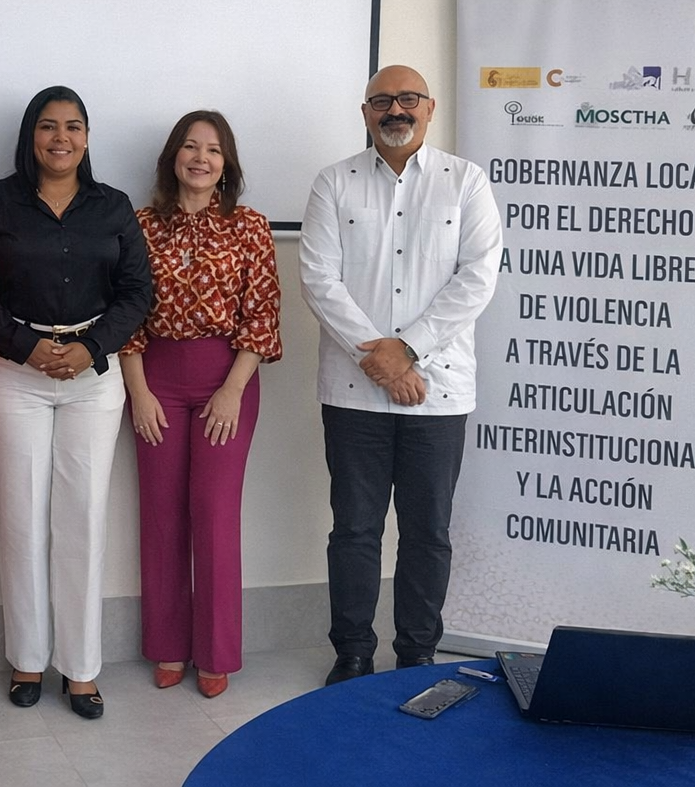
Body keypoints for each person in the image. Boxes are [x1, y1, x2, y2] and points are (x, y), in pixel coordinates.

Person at [298, 65, 501, 686]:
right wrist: (383, 362)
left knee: (427, 533)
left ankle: (416, 655)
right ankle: (353, 653)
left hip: (437, 393)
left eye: (408, 98)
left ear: (429, 108)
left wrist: (408, 351)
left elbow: (477, 278)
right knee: (354, 531)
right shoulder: (334, 183)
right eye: (382, 100)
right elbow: (318, 280)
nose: (396, 109)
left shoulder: (466, 181)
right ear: (365, 112)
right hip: (353, 393)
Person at [0, 86, 152, 719]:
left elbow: (137, 293)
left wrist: (91, 348)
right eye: (48, 126)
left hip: (92, 376)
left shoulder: (113, 206)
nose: (61, 138)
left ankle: (81, 669)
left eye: (73, 126)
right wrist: (25, 346)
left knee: (84, 517)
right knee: (20, 518)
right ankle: (26, 659)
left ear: (87, 137)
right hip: (10, 371)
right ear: (31, 136)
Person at [120, 110, 282, 699]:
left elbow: (261, 315)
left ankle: (215, 653)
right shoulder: (139, 225)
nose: (201, 158)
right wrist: (138, 392)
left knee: (214, 514)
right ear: (172, 158)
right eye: (190, 147)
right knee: (161, 514)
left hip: (227, 380)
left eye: (213, 150)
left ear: (226, 164)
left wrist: (232, 390)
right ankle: (167, 644)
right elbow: (126, 313)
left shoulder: (249, 226)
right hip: (155, 380)